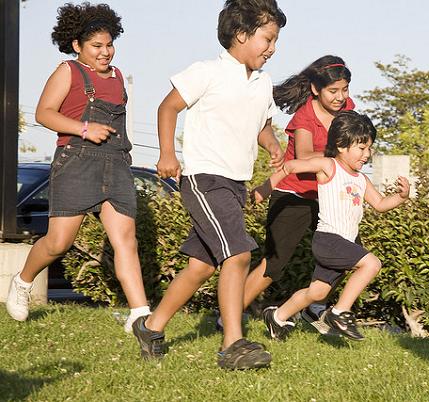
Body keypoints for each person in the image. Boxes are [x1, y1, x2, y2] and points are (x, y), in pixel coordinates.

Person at [131, 0, 286, 370]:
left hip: (235, 183)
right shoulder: (207, 72)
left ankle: (150, 327)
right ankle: (233, 344)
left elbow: (261, 123)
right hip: (204, 179)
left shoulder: (263, 83)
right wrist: (168, 154)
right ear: (241, 35)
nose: (273, 48)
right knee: (238, 254)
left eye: (276, 40)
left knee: (201, 266)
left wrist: (273, 144)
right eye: (267, 38)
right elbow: (168, 107)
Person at [6, 2, 150, 331]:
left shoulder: (117, 78)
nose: (105, 52)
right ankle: (23, 281)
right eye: (97, 46)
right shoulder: (68, 71)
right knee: (59, 242)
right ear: (77, 46)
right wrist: (84, 128)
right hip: (76, 162)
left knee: (126, 239)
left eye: (109, 45)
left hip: (115, 165)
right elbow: (44, 113)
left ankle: (140, 314)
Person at [253, 111, 410, 342]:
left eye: (369, 149)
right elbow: (292, 166)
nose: (367, 154)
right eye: (361, 148)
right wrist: (268, 187)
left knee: (318, 292)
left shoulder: (361, 179)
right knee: (372, 263)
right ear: (341, 145)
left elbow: (380, 204)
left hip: (343, 243)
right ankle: (340, 313)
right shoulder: (328, 166)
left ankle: (277, 316)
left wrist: (401, 197)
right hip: (328, 240)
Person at [236, 55, 354, 335]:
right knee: (274, 263)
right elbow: (304, 155)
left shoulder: (348, 108)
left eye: (345, 89)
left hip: (327, 196)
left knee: (351, 253)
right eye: (333, 91)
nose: (341, 97)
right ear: (316, 89)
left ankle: (315, 307)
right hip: (294, 194)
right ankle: (228, 314)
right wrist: (339, 154)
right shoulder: (305, 115)